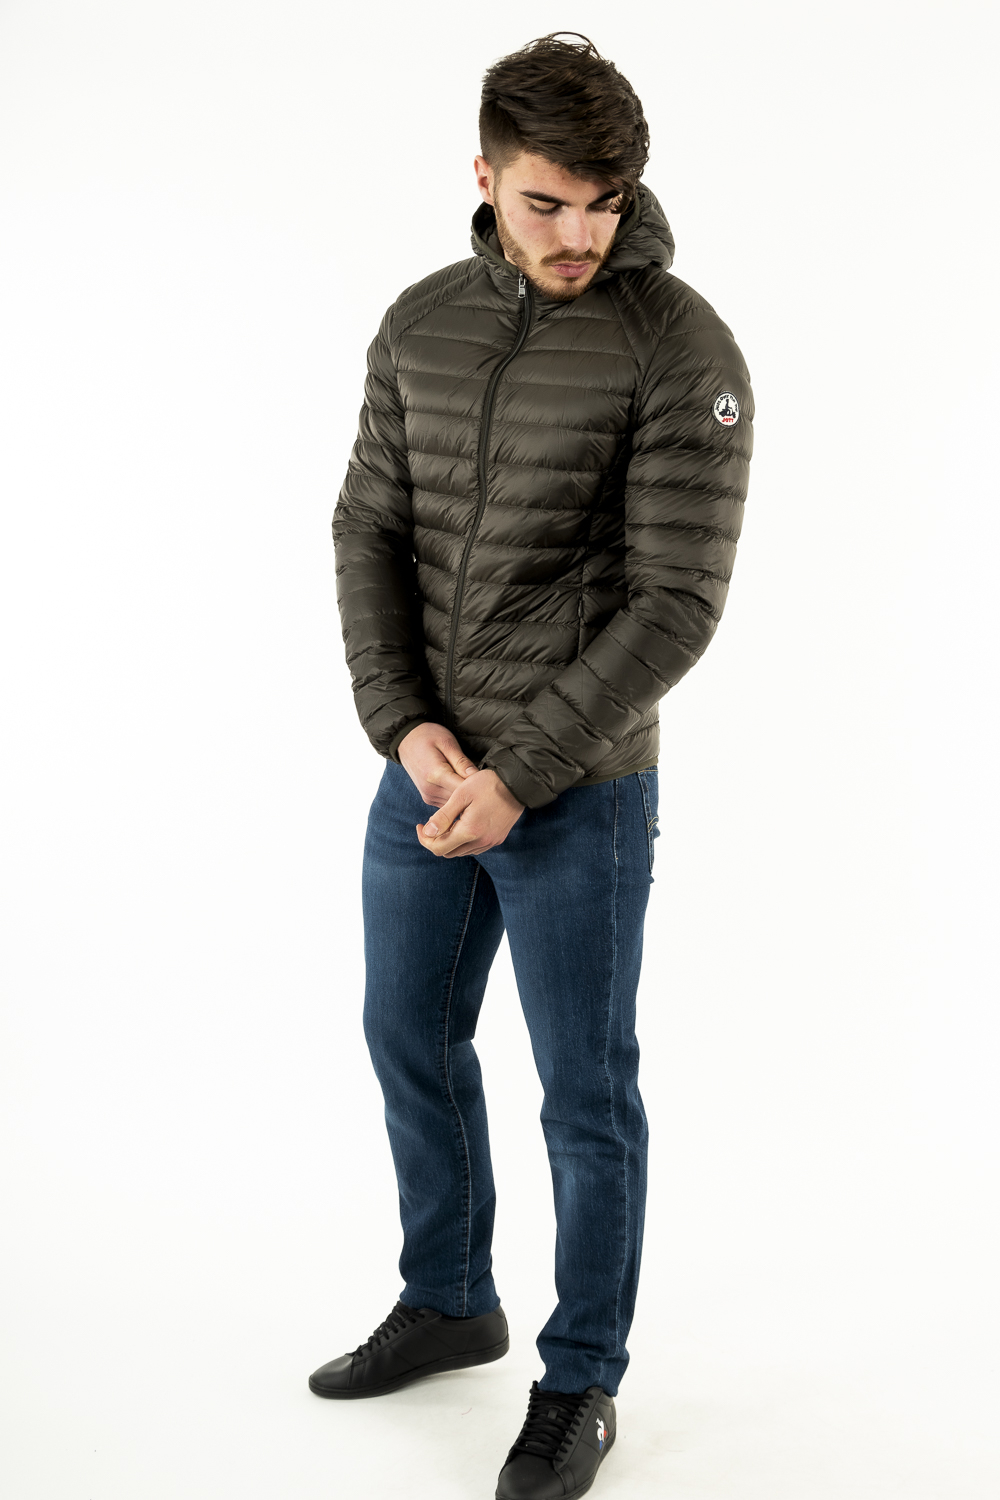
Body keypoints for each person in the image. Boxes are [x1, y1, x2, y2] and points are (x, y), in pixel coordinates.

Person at [311, 32, 753, 1499]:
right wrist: (405, 727)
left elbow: (675, 604)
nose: (580, 234)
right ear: (487, 176)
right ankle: (450, 1299)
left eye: (605, 203)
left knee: (585, 1092)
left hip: (578, 793)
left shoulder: (681, 348)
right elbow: (368, 526)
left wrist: (522, 772)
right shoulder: (420, 321)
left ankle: (581, 1382)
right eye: (548, 201)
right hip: (428, 771)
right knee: (406, 1032)